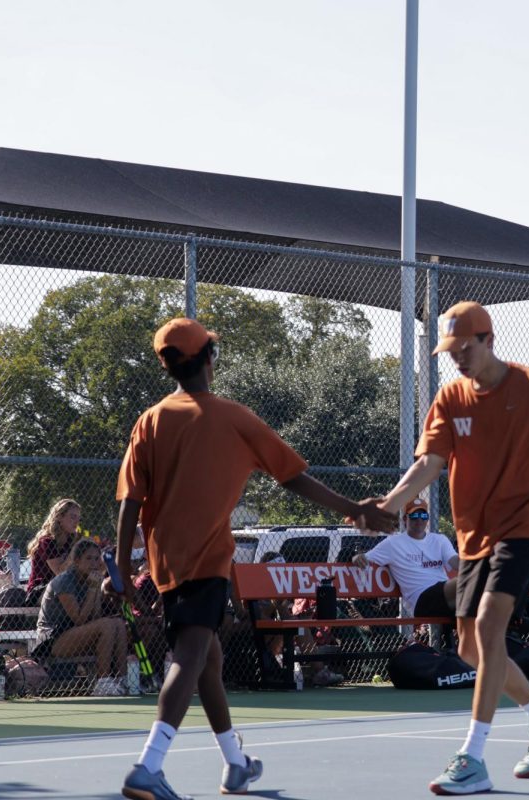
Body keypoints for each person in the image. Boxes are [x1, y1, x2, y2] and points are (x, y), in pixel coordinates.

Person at [110, 318, 397, 800]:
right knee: (191, 657)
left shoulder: (151, 420)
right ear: (209, 360)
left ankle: (235, 764)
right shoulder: (233, 417)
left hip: (166, 564)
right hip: (205, 561)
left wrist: (120, 566)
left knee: (209, 661)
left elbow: (129, 502)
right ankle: (149, 765)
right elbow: (292, 477)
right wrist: (354, 510)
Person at [377, 301, 529, 796]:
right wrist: (392, 502)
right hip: (472, 536)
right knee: (471, 649)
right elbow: (431, 461)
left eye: (464, 348)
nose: (456, 358)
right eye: (450, 350)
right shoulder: (450, 397)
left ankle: (472, 757)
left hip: (524, 528)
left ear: (488, 341)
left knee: (489, 626)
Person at [34, 538, 128, 697]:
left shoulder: (92, 579)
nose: (94, 563)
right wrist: (93, 589)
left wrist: (96, 589)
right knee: (107, 624)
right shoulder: (64, 581)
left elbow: (95, 617)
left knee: (117, 623)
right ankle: (103, 682)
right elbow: (79, 619)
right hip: (53, 640)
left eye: (96, 558)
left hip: (77, 633)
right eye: (88, 558)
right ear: (77, 561)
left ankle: (122, 679)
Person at [353, 498, 459, 618]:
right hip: (421, 600)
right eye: (414, 515)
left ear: (427, 518)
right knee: (466, 585)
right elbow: (365, 558)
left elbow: (455, 562)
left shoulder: (439, 540)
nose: (419, 519)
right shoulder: (393, 543)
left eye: (423, 515)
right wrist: (357, 557)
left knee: (474, 598)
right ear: (405, 519)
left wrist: (476, 564)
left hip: (444, 596)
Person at [26, 498, 82, 594]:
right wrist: (76, 549)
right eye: (73, 517)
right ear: (59, 517)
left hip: (65, 586)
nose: (77, 521)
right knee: (64, 587)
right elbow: (59, 572)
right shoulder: (47, 541)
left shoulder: (71, 541)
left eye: (78, 518)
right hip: (40, 589)